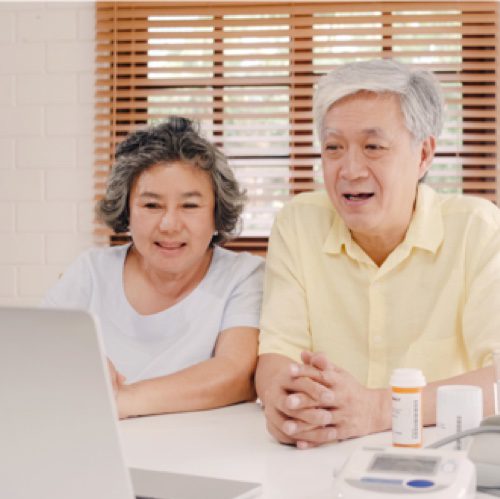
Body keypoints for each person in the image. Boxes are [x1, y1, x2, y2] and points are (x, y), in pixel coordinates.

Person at [255, 59, 500, 449]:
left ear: (423, 155)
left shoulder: (478, 230)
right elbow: (277, 354)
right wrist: (286, 402)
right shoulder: (298, 223)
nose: (350, 169)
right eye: (333, 147)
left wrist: (379, 409)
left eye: (373, 147)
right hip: (316, 455)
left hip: (441, 460)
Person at [43, 117, 264, 419]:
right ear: (126, 212)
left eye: (189, 206)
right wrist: (74, 363)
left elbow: (237, 375)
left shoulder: (243, 276)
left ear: (216, 215)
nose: (169, 224)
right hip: (94, 444)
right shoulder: (91, 271)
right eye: (151, 205)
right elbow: (36, 353)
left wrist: (122, 401)